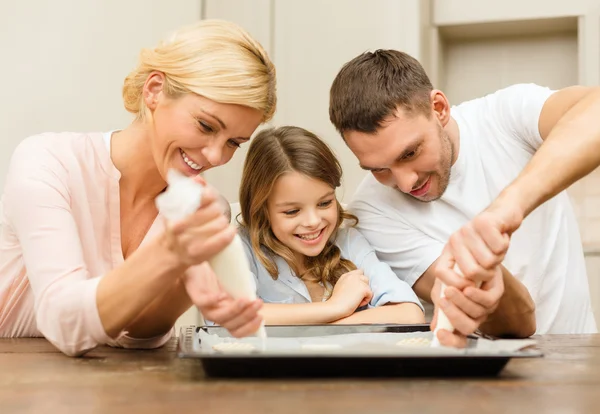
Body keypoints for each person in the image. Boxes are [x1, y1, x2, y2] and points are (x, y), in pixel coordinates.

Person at [0, 19, 276, 356]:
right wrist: (171, 256)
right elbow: (63, 323)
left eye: (234, 142)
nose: (216, 156)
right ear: (155, 90)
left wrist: (181, 286)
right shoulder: (47, 162)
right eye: (205, 126)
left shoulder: (202, 210)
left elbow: (131, 337)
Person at [329, 49, 599, 347]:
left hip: (579, 351)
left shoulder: (505, 116)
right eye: (379, 169)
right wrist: (480, 277)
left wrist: (506, 209)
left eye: (410, 153)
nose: (405, 183)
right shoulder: (371, 211)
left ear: (439, 108)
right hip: (484, 376)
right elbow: (519, 322)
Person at [236, 126, 425, 325]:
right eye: (292, 211)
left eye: (324, 203)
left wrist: (321, 325)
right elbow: (234, 318)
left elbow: (410, 314)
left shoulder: (348, 243)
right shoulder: (240, 249)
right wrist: (335, 307)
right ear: (260, 208)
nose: (313, 222)